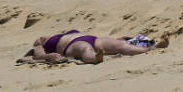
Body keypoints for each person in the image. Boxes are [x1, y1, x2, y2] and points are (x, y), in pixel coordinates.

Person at [19, 32, 164, 65]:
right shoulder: (40, 45)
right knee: (85, 50)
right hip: (71, 46)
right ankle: (95, 58)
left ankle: (150, 48)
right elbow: (38, 57)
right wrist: (50, 56)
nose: (42, 37)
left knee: (121, 45)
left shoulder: (64, 33)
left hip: (93, 39)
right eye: (39, 38)